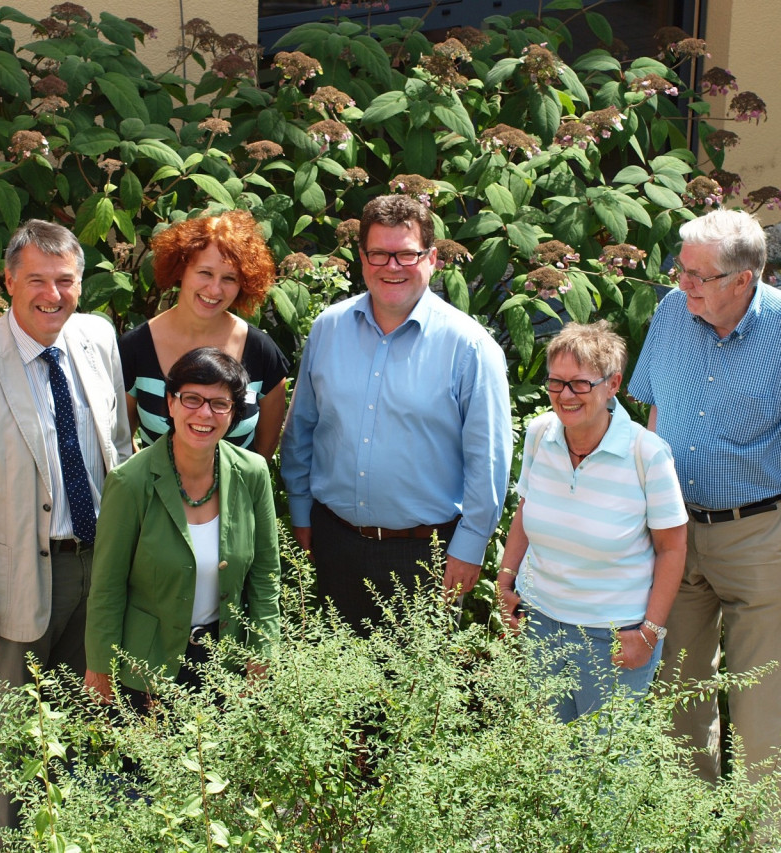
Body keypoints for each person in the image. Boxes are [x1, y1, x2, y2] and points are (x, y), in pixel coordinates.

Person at [627, 208, 781, 846]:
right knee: (679, 699)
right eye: (680, 268)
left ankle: (764, 842)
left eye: (698, 274)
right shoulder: (671, 315)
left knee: (757, 705)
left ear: (744, 279)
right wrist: (647, 517)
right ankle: (692, 834)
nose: (682, 283)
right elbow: (655, 415)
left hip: (756, 535)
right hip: (676, 533)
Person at [0, 219, 131, 837]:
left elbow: (117, 450)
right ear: (9, 282)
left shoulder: (97, 337)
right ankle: (7, 842)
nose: (53, 294)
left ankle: (67, 835)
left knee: (84, 713)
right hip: (18, 577)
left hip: (96, 565)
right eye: (37, 280)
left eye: (65, 280)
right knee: (10, 731)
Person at [280, 194, 512, 630]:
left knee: (416, 695)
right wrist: (299, 510)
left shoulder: (470, 347)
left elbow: (489, 460)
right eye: (379, 253)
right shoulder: (327, 329)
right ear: (362, 258)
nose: (392, 266)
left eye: (406, 254)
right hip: (333, 542)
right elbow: (302, 428)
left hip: (426, 556)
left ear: (432, 258)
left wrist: (471, 545)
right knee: (335, 690)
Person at [496, 321, 687, 722]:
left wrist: (649, 632)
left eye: (580, 384)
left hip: (614, 637)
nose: (565, 396)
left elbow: (672, 548)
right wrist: (506, 581)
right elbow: (525, 513)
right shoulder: (539, 433)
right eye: (556, 382)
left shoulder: (647, 454)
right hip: (540, 625)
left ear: (613, 384)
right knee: (544, 760)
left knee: (605, 776)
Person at [84, 347, 280, 705]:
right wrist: (100, 666)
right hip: (145, 668)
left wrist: (263, 653)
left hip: (227, 666)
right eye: (192, 398)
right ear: (170, 404)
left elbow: (266, 577)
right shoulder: (130, 483)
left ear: (233, 413)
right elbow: (107, 586)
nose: (204, 413)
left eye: (219, 404)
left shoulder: (253, 473)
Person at [121, 210, 288, 457]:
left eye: (229, 278)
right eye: (205, 273)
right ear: (181, 269)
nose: (214, 289)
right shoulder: (134, 348)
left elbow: (264, 448)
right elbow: (120, 441)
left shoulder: (261, 352)